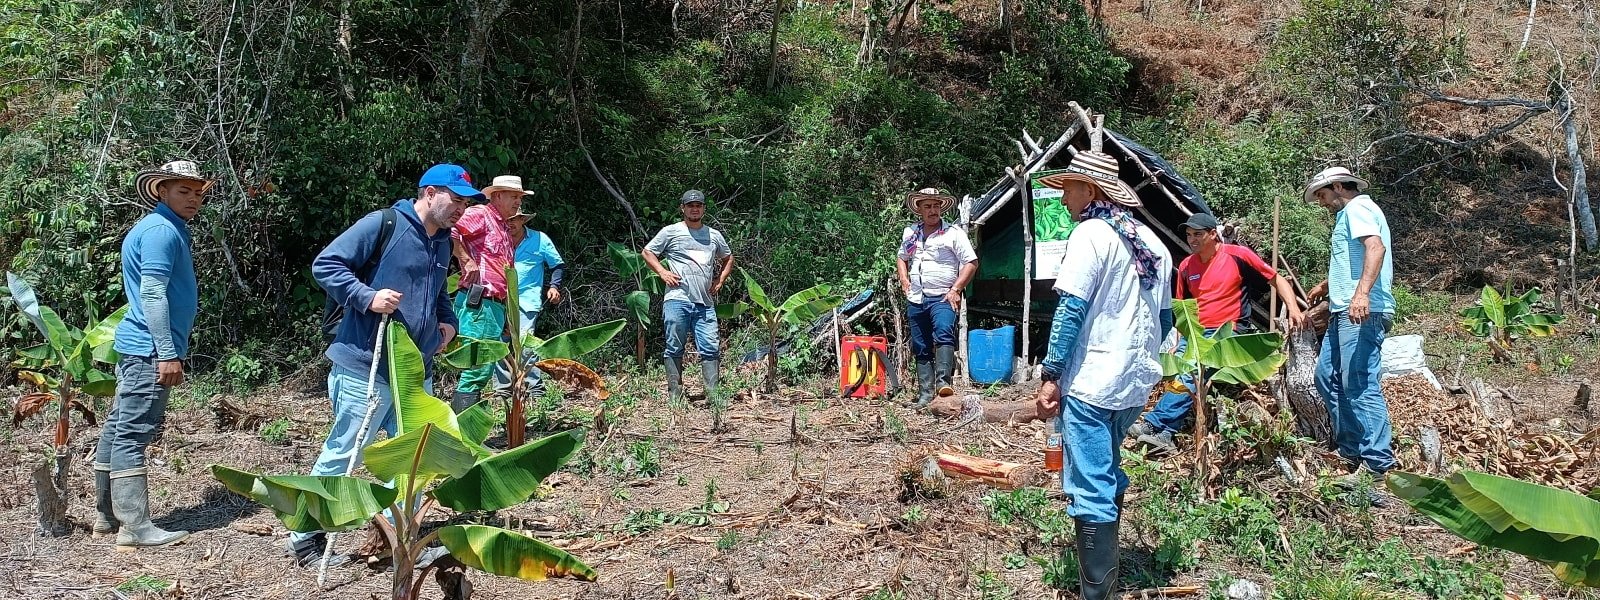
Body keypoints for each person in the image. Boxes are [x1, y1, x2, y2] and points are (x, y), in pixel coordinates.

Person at [291, 164, 474, 566]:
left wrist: (449, 323)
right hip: (365, 366)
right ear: (429, 192)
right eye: (455, 198)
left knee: (414, 460)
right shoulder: (384, 224)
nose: (461, 208)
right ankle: (305, 538)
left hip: (415, 372)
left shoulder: (443, 241)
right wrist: (365, 296)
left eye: (465, 202)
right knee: (345, 453)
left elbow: (438, 294)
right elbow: (326, 264)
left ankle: (401, 540)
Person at [1031, 149, 1174, 600]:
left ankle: (1098, 593)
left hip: (1094, 381)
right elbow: (1165, 319)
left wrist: (1052, 373)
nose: (1063, 199)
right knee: (1107, 467)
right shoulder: (1151, 242)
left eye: (1069, 189)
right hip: (1133, 384)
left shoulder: (1092, 234)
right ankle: (1105, 577)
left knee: (1090, 481)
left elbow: (1070, 309)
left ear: (1090, 191)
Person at [94, 160, 212, 548]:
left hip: (139, 346)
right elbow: (151, 293)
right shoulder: (162, 231)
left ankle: (107, 516)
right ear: (162, 191)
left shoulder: (161, 227)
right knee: (133, 431)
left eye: (197, 192)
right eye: (183, 191)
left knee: (119, 426)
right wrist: (167, 352)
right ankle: (135, 526)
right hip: (149, 348)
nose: (193, 199)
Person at [1127, 213, 1304, 452]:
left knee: (1190, 371)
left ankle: (1154, 423)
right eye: (1189, 235)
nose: (1192, 240)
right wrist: (1179, 340)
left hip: (1228, 330)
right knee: (1178, 368)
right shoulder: (1187, 266)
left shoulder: (1236, 255)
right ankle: (1166, 434)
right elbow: (1184, 309)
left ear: (1213, 234)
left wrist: (1293, 308)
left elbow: (1277, 279)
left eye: (1198, 234)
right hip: (1196, 333)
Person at [1303, 166, 1396, 485]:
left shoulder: (1358, 207)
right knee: (1326, 376)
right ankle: (1352, 450)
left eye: (1324, 195)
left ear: (1340, 186)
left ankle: (1376, 464)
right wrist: (1327, 285)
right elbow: (1354, 259)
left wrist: (1361, 294)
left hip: (1361, 311)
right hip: (1345, 310)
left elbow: (1375, 248)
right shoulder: (1350, 214)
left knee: (1358, 381)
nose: (1322, 202)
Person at [643, 189, 734, 402]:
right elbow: (648, 252)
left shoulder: (714, 235)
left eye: (699, 205)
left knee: (710, 347)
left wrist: (719, 280)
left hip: (705, 303)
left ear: (704, 209)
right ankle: (675, 394)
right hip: (677, 300)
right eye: (690, 205)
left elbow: (728, 257)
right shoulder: (671, 232)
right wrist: (663, 272)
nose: (695, 209)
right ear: (682, 208)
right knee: (674, 346)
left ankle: (713, 396)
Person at [448, 175, 526, 412]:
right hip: (480, 301)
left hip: (495, 305)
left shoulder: (503, 226)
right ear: (498, 195)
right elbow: (449, 229)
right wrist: (465, 259)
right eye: (514, 197)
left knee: (483, 367)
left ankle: (467, 431)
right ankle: (461, 432)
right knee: (478, 368)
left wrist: (507, 315)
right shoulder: (481, 214)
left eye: (520, 198)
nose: (518, 203)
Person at [895, 187, 978, 407]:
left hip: (943, 296)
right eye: (928, 206)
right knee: (921, 345)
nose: (933, 211)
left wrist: (956, 289)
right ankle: (925, 394)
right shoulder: (911, 233)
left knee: (943, 333)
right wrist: (904, 280)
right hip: (916, 297)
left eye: (936, 206)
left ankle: (943, 384)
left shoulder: (953, 233)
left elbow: (971, 262)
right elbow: (902, 258)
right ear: (919, 210)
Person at [492, 208, 566, 396]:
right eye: (506, 219)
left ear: (523, 220)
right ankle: (503, 391)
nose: (510, 223)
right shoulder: (497, 238)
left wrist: (554, 286)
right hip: (499, 299)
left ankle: (535, 389)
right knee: (500, 344)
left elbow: (557, 264)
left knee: (526, 345)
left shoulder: (540, 239)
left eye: (514, 219)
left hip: (527, 300)